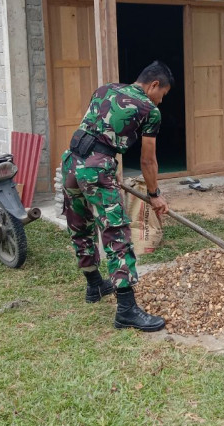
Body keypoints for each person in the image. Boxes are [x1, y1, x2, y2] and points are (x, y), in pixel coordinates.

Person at [62, 61, 172, 331]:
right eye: (163, 94)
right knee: (116, 233)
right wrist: (154, 194)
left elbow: (98, 129)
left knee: (80, 226)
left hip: (71, 162)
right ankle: (126, 310)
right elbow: (148, 161)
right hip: (97, 169)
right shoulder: (150, 110)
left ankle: (94, 285)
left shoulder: (105, 89)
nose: (161, 100)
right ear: (154, 85)